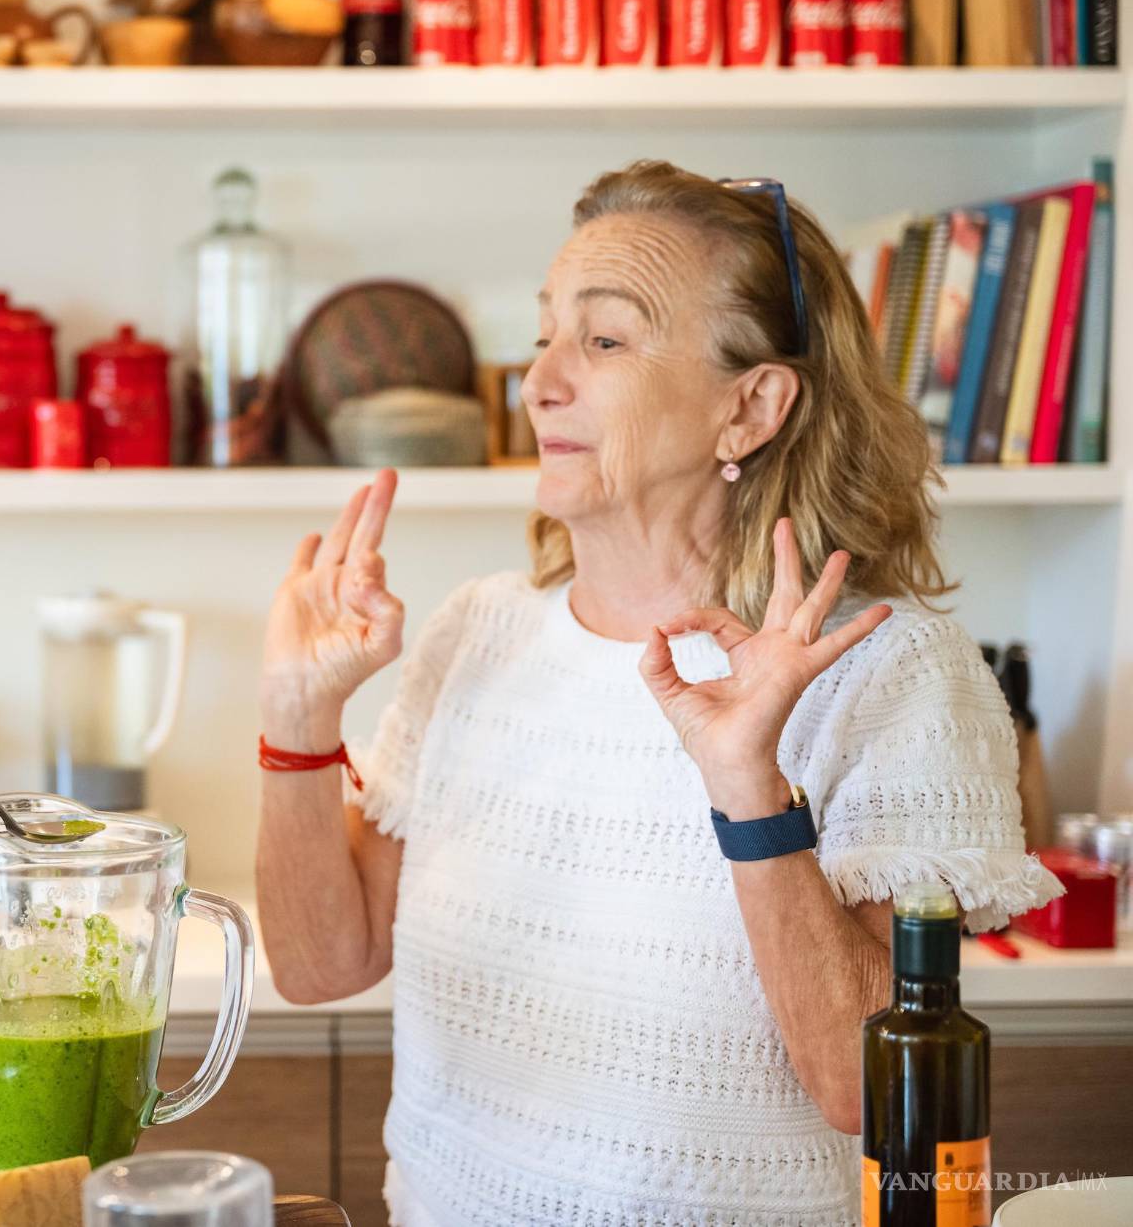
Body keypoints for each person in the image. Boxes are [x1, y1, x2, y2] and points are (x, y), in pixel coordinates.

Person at [255, 161, 1061, 1226]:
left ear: (749, 406)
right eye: (545, 331)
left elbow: (869, 1098)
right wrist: (296, 720)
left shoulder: (885, 667)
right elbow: (322, 963)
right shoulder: (477, 629)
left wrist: (747, 792)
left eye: (603, 339)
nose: (537, 379)